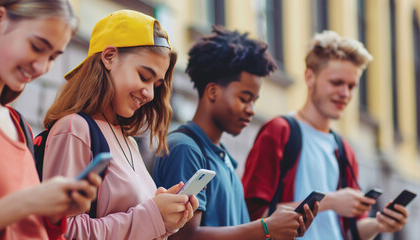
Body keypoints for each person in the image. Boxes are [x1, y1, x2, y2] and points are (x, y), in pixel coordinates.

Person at [0, 0, 101, 239]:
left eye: (52, 57)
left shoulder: (20, 125)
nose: (41, 67)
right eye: (37, 46)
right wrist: (32, 200)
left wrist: (56, 213)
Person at [41, 10, 199, 240]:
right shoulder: (74, 129)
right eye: (144, 76)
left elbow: (137, 226)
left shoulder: (129, 141)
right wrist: (152, 216)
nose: (150, 94)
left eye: (156, 84)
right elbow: (62, 230)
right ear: (109, 57)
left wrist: (165, 221)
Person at [242, 30, 409, 240]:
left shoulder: (344, 150)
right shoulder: (279, 131)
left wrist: (380, 224)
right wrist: (329, 202)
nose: (345, 94)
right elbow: (251, 215)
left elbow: (351, 231)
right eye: (337, 83)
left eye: (351, 86)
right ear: (309, 77)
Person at [153, 26, 316, 240]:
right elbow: (186, 236)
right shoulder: (186, 149)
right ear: (213, 91)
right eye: (244, 98)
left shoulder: (224, 159)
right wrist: (265, 227)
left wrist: (276, 232)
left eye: (254, 101)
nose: (251, 110)